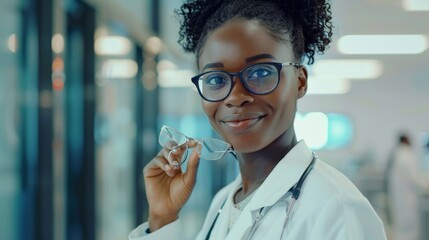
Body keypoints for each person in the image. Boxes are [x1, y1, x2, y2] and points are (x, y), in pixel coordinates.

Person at [129, 0, 387, 239]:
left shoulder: (337, 209)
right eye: (216, 80)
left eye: (261, 72)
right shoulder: (224, 202)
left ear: (300, 81)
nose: (236, 97)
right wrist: (161, 219)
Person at [387, 133, 429, 240]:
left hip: (400, 198)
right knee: (409, 228)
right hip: (407, 198)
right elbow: (413, 179)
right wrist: (426, 185)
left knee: (401, 226)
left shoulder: (397, 154)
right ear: (406, 140)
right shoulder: (407, 155)